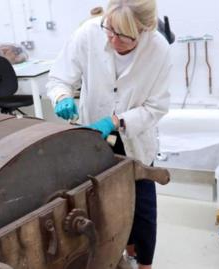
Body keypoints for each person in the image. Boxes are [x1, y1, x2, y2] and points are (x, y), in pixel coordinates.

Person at [46, 0, 171, 268]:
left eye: (124, 38)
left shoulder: (158, 50)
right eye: (110, 31)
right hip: (95, 137)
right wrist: (61, 96)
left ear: (144, 30)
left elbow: (156, 106)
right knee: (103, 202)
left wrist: (116, 120)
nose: (113, 41)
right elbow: (59, 78)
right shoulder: (89, 33)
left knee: (143, 208)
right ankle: (120, 253)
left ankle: (144, 263)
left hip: (135, 138)